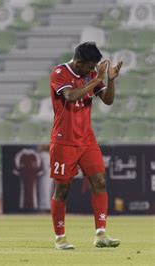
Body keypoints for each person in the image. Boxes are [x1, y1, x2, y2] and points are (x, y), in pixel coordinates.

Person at [49, 42, 123, 250]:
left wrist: (110, 80)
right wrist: (97, 79)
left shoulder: (91, 75)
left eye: (94, 68)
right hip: (64, 140)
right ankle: (60, 238)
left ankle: (101, 233)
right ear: (79, 62)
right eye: (90, 67)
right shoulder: (59, 73)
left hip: (87, 139)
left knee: (99, 181)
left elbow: (107, 101)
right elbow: (71, 96)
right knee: (62, 190)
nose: (92, 70)